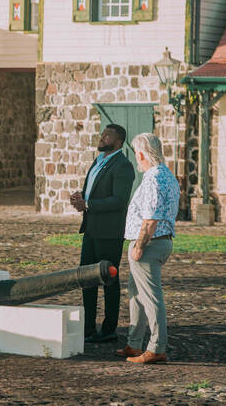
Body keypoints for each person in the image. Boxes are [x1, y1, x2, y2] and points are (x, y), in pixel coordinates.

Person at [116, 132, 179, 364]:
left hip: (150, 244)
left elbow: (150, 219)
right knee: (137, 295)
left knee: (151, 298)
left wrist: (139, 246)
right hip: (161, 241)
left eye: (136, 154)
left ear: (141, 154)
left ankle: (157, 347)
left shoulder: (153, 179)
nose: (136, 158)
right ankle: (134, 343)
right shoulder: (168, 175)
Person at [70, 123, 135, 343]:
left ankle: (108, 329)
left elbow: (119, 200)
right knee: (86, 279)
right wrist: (81, 198)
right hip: (90, 230)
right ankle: (88, 328)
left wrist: (88, 204)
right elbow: (96, 191)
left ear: (118, 141)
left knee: (109, 280)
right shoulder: (98, 161)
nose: (101, 137)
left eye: (107, 135)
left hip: (109, 233)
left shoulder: (123, 166)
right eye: (102, 133)